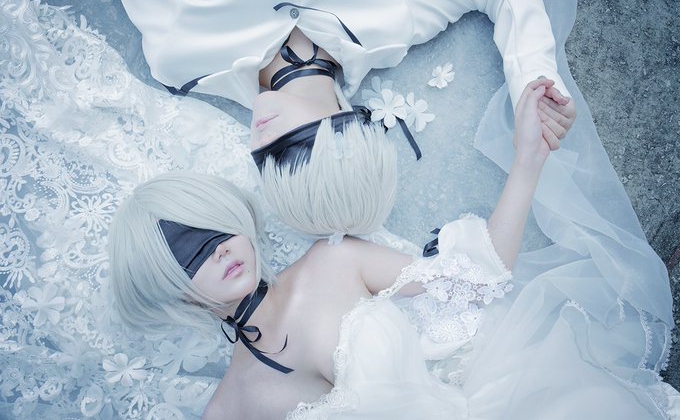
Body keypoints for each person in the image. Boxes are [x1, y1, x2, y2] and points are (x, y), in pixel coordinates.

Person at [107, 81, 677, 419]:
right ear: (176, 293)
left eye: (216, 231)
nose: (217, 251)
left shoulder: (332, 260)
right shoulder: (229, 405)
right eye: (189, 254)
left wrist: (529, 156)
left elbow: (479, 277)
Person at [78, 0, 576, 238]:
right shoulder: (390, 25)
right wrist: (533, 84)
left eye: (265, 162)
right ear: (347, 137)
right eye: (292, 151)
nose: (260, 140)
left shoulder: (183, 59)